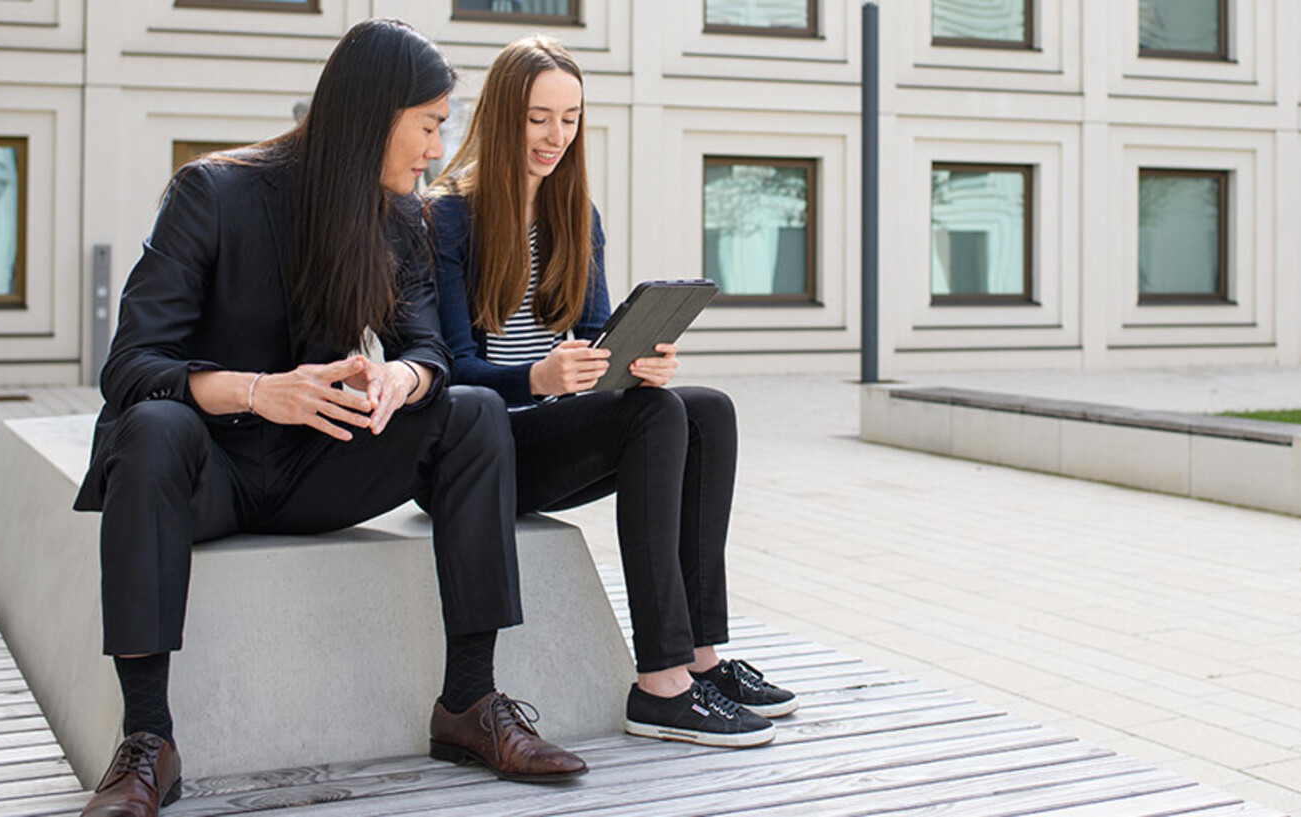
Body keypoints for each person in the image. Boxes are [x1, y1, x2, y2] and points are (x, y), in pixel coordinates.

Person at [74, 19, 585, 816]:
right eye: (428, 124)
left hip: (319, 467)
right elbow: (130, 367)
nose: (436, 147)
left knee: (473, 411)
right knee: (151, 427)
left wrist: (400, 380)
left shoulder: (396, 215)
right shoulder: (211, 192)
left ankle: (470, 702)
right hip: (207, 471)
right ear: (374, 115)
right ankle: (147, 741)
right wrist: (253, 390)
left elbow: (428, 349)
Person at [427, 35, 797, 750]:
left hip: (551, 433)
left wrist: (636, 361)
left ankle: (699, 657)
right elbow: (446, 369)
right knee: (658, 417)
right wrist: (535, 377)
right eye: (539, 117)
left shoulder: (576, 216)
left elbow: (598, 337)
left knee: (705, 409)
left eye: (568, 118)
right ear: (504, 114)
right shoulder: (447, 216)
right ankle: (660, 682)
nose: (555, 136)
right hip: (480, 453)